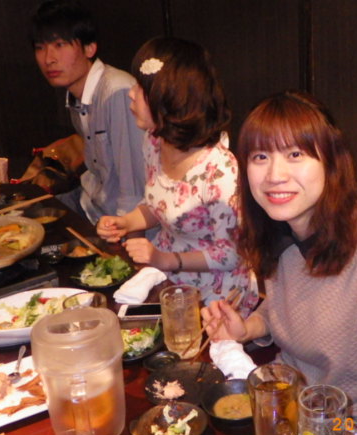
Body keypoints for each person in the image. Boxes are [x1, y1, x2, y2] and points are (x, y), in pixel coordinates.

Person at [201, 90, 357, 435]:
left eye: (295, 154)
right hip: (287, 406)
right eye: (260, 156)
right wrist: (248, 329)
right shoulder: (281, 226)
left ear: (331, 161)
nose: (275, 175)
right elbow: (288, 306)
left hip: (354, 433)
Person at [97, 37, 258, 311]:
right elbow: (158, 205)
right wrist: (126, 222)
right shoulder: (154, 140)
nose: (131, 94)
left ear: (172, 99)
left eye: (142, 88)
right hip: (169, 282)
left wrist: (164, 259)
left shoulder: (219, 171)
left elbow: (231, 254)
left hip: (216, 295)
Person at [29, 0, 145, 224]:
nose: (48, 59)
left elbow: (134, 189)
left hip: (117, 218)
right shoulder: (76, 94)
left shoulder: (117, 92)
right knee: (20, 219)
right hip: (89, 201)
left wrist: (123, 235)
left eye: (60, 45)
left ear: (89, 47)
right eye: (40, 47)